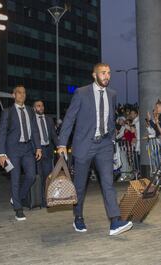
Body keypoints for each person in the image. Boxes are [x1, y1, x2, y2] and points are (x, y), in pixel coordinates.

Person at [57, 63, 133, 235]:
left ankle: (115, 221)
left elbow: (111, 119)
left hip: (105, 145)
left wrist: (112, 139)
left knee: (108, 183)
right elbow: (69, 119)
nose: (107, 76)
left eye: (109, 73)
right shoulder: (81, 93)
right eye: (103, 73)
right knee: (80, 186)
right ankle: (78, 217)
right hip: (85, 145)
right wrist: (62, 144)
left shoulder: (112, 94)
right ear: (94, 75)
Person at [0, 85, 42, 221]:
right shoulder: (8, 112)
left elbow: (34, 130)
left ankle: (17, 197)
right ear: (13, 95)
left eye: (24, 93)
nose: (22, 95)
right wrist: (1, 153)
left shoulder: (30, 111)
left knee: (31, 176)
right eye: (19, 93)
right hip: (13, 150)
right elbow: (2, 133)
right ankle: (18, 209)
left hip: (28, 148)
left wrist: (38, 147)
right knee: (15, 178)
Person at [33, 100, 58, 207]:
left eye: (42, 105)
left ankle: (47, 199)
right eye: (38, 106)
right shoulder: (31, 120)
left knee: (48, 177)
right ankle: (40, 200)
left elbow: (53, 135)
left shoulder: (49, 119)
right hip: (37, 152)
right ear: (34, 109)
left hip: (48, 151)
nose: (41, 107)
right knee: (40, 176)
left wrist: (59, 146)